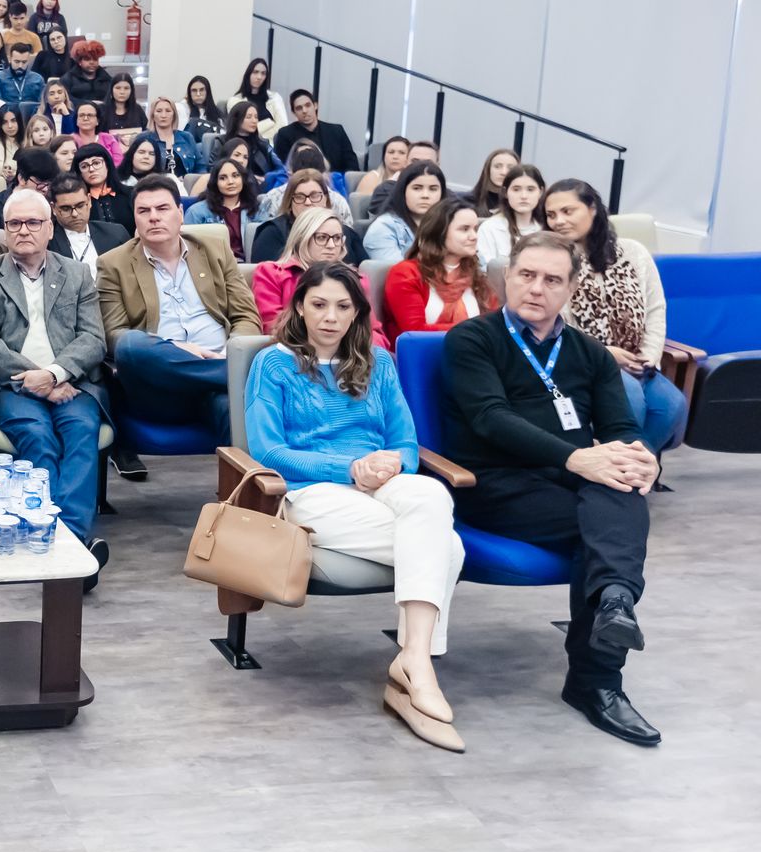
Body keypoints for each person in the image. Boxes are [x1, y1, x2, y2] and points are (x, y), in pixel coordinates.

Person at [444, 233, 662, 746]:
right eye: (526, 275)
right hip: (494, 483)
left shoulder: (590, 354)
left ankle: (613, 605)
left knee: (622, 490)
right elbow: (491, 418)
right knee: (606, 525)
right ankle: (598, 678)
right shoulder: (473, 339)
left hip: (569, 478)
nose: (536, 288)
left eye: (552, 279)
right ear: (507, 276)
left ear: (571, 288)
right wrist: (578, 457)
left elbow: (620, 427)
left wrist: (641, 457)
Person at [245, 263, 467, 751]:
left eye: (343, 306)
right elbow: (268, 451)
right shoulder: (273, 364)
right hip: (310, 491)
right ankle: (416, 667)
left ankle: (412, 661)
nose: (330, 317)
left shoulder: (379, 362)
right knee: (447, 548)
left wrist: (390, 464)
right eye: (319, 304)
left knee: (432, 494)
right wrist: (349, 467)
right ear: (299, 306)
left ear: (357, 313)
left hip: (380, 483)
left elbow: (406, 443)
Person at [0, 189, 111, 585]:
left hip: (71, 384)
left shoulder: (77, 274)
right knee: (38, 437)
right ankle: (71, 549)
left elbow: (93, 339)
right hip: (11, 387)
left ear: (50, 228)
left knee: (81, 433)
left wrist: (57, 373)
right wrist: (39, 379)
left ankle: (64, 542)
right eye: (14, 223)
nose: (23, 230)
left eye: (33, 222)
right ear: (4, 229)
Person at [100, 175, 262, 444]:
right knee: (129, 345)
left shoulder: (215, 250)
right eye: (144, 211)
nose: (154, 217)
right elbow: (113, 336)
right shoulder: (112, 264)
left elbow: (246, 316)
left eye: (162, 208)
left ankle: (243, 479)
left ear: (180, 213)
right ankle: (237, 374)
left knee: (231, 408)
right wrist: (174, 348)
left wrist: (231, 350)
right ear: (135, 219)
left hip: (216, 378)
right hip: (161, 387)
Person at [544, 180, 686, 453]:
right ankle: (621, 470)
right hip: (582, 362)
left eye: (567, 211)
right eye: (551, 215)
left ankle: (633, 467)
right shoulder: (552, 260)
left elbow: (655, 309)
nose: (558, 221)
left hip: (636, 361)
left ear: (592, 209)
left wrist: (649, 356)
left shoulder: (634, 252)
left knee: (671, 406)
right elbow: (554, 327)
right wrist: (605, 354)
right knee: (630, 398)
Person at [252, 208, 384, 342]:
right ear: (302, 238)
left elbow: (374, 333)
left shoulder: (356, 279)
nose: (331, 245)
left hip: (350, 350)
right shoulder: (271, 273)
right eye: (322, 238)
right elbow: (273, 327)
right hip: (295, 349)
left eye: (337, 238)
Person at [382, 196, 497, 344]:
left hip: (475, 353)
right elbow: (414, 332)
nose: (474, 236)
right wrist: (475, 330)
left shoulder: (475, 274)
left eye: (475, 229)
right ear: (439, 232)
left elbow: (494, 325)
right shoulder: (405, 273)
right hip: (423, 354)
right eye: (464, 229)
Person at [248, 168, 355, 264]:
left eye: (314, 196)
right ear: (290, 202)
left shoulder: (343, 232)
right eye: (299, 197)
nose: (308, 202)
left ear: (326, 199)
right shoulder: (272, 232)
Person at [363, 161, 447, 262]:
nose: (425, 195)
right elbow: (398, 269)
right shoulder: (383, 228)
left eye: (433, 189)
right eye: (417, 188)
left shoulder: (450, 224)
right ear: (403, 192)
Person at [48, 174, 128, 272]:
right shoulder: (46, 242)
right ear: (53, 208)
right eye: (66, 209)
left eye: (80, 206)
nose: (74, 214)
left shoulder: (116, 234)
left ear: (89, 200)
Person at [272, 88, 361, 175]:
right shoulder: (285, 134)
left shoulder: (337, 131)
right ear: (294, 112)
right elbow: (281, 169)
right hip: (301, 181)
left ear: (315, 106)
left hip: (336, 180)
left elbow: (352, 165)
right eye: (299, 108)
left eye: (308, 105)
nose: (304, 111)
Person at [184, 157, 257, 261]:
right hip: (213, 265)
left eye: (235, 176)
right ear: (215, 182)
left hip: (250, 264)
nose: (230, 182)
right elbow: (188, 249)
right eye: (223, 178)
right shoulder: (196, 212)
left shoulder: (257, 208)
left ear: (243, 179)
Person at [477, 162, 544, 270]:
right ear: (505, 192)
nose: (524, 196)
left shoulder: (545, 228)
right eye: (516, 189)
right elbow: (485, 270)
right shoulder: (490, 228)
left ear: (540, 192)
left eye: (530, 189)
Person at [0, 146, 60, 231]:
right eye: (40, 182)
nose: (45, 189)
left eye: (49, 183)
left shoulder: (53, 202)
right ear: (22, 179)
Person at [364, 140, 439, 220]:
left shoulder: (443, 191)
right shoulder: (385, 190)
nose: (420, 167)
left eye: (427, 163)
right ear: (405, 163)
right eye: (415, 161)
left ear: (437, 166)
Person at [215, 100, 281, 178]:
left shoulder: (262, 144)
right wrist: (252, 178)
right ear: (237, 119)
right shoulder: (222, 142)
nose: (254, 121)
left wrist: (267, 178)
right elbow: (214, 170)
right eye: (249, 117)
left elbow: (279, 168)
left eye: (256, 117)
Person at [74, 143, 129, 230]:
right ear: (79, 173)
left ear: (107, 164)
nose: (91, 169)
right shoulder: (79, 202)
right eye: (84, 166)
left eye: (96, 163)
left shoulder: (129, 194)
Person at [355, 135, 412, 210]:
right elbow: (364, 209)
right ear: (384, 156)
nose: (395, 157)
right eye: (391, 152)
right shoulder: (372, 178)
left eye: (401, 153)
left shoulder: (414, 180)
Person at [234, 58, 280, 138]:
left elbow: (282, 125)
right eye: (255, 72)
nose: (259, 77)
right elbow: (241, 129)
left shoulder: (274, 97)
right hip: (246, 142)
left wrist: (263, 136)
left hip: (273, 142)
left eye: (263, 73)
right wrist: (270, 123)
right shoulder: (236, 100)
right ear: (248, 74)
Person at [468, 148, 520, 218]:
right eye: (497, 166)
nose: (504, 172)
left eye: (510, 168)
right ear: (488, 170)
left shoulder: (523, 203)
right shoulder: (468, 202)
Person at [64, 39, 111, 106]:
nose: (92, 62)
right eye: (87, 59)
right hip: (77, 110)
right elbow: (66, 98)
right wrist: (87, 103)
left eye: (95, 59)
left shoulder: (107, 78)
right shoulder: (68, 79)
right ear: (79, 62)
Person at [0, 42, 44, 106]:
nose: (20, 66)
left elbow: (42, 105)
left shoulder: (37, 79)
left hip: (31, 111)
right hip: (7, 111)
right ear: (10, 59)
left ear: (28, 61)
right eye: (17, 62)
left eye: (24, 62)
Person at [184, 75, 226, 139]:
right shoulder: (184, 109)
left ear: (207, 92)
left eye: (201, 90)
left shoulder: (217, 114)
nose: (198, 94)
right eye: (194, 90)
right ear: (189, 93)